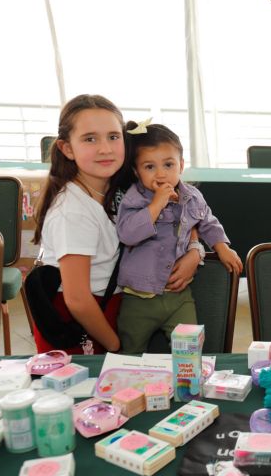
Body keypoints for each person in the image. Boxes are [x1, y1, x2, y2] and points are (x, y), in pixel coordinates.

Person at [31, 94, 200, 355]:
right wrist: (115, 345)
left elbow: (186, 212)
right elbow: (77, 299)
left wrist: (194, 250)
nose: (105, 148)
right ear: (67, 148)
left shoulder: (121, 188)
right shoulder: (73, 211)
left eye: (113, 136)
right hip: (82, 323)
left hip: (112, 307)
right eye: (90, 139)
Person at [115, 120, 243, 353]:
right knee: (130, 351)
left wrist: (222, 246)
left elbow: (207, 222)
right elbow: (127, 234)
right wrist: (155, 206)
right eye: (149, 167)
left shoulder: (192, 196)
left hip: (178, 296)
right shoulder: (134, 200)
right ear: (136, 171)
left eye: (168, 164)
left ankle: (189, 384)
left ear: (181, 165)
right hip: (138, 297)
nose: (161, 173)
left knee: (189, 349)